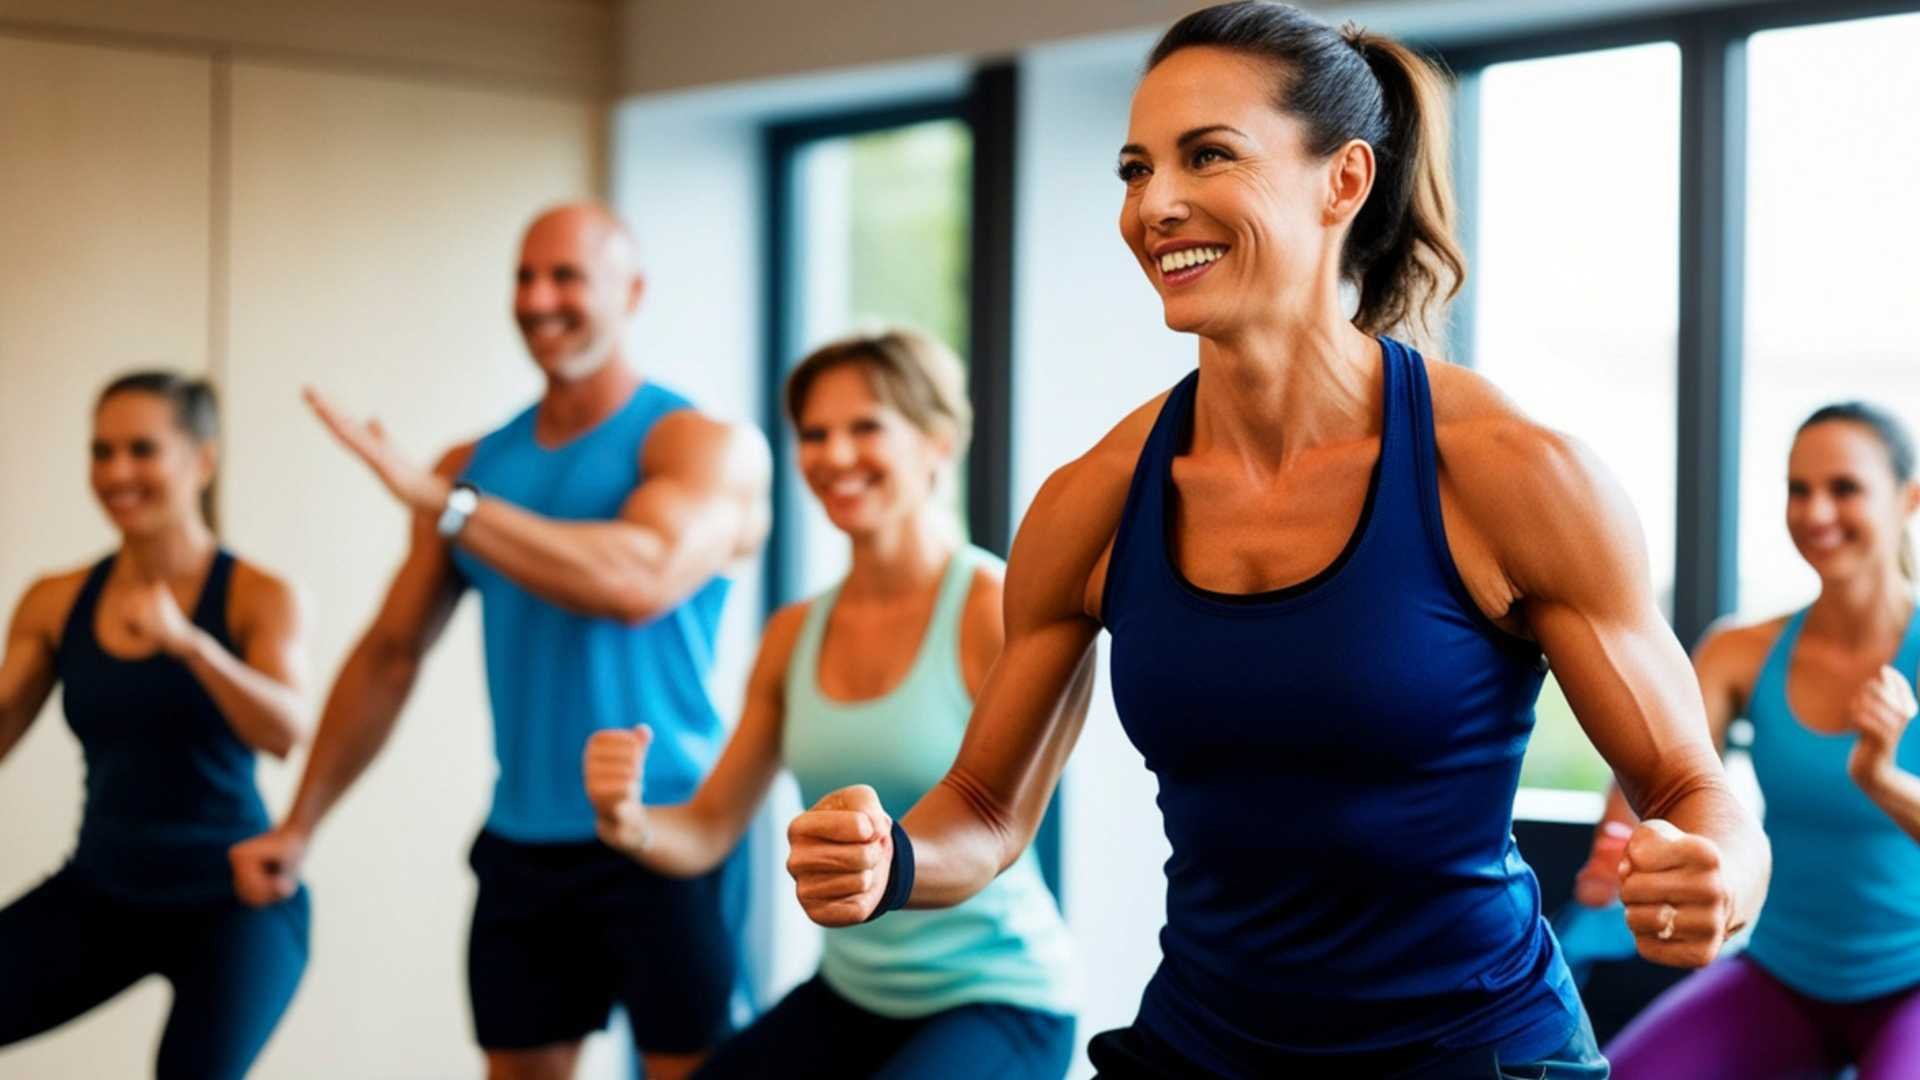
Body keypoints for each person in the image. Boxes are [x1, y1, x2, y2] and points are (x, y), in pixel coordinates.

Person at [782, 4, 1771, 1077]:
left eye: (1208, 155)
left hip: (1470, 1050)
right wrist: (891, 860)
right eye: (1135, 170)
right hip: (1203, 1048)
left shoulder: (1507, 475)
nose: (1155, 204)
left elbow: (1688, 785)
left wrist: (1721, 873)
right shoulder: (1095, 501)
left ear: (1343, 181)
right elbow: (983, 807)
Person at [228, 202, 771, 1080]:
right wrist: (300, 824)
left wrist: (450, 507)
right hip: (527, 843)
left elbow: (639, 580)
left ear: (632, 292)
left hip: (669, 828)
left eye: (567, 277)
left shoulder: (699, 444)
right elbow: (391, 654)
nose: (539, 299)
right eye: (525, 277)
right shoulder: (476, 465)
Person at [585, 328, 1078, 1079]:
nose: (834, 455)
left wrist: (890, 862)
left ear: (938, 441)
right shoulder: (792, 634)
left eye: (866, 427)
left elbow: (997, 825)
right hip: (854, 993)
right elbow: (710, 826)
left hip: (998, 996)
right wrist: (631, 822)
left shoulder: (992, 608)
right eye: (815, 435)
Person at [0, 372, 311, 1079]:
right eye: (101, 452)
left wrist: (190, 646)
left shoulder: (259, 595)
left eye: (142, 450)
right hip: (102, 889)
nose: (117, 473)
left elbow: (286, 730)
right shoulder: (55, 600)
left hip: (235, 901)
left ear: (203, 460)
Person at [1595, 402, 1920, 1079]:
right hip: (1781, 972)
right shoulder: (1740, 651)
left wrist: (1881, 779)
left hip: (1910, 983)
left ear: (1908, 499)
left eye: (1844, 488)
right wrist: (1624, 843)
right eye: (1799, 489)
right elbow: (1655, 771)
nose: (1816, 512)